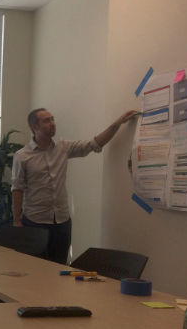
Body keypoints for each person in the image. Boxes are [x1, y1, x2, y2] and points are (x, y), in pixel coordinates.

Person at [11, 108, 137, 265]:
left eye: (52, 119)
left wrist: (119, 122)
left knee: (58, 267)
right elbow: (17, 188)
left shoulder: (63, 147)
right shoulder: (22, 155)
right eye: (47, 121)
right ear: (34, 127)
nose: (52, 123)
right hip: (35, 221)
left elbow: (95, 143)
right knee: (35, 269)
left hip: (61, 222)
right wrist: (17, 220)